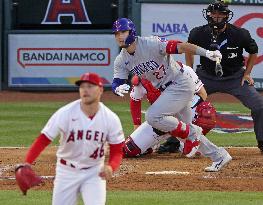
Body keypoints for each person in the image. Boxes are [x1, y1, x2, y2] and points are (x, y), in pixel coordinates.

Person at [111, 18, 223, 159]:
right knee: (128, 149)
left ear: (131, 31)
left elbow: (181, 47)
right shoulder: (123, 63)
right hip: (163, 114)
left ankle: (193, 140)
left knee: (202, 117)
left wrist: (206, 53)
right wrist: (116, 88)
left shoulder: (152, 44)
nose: (119, 36)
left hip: (180, 93)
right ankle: (193, 140)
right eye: (116, 33)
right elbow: (120, 84)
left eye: (123, 32)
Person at [17, 73, 125, 205]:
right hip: (66, 172)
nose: (85, 90)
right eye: (82, 86)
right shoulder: (65, 113)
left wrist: (111, 167)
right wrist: (27, 163)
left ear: (101, 90)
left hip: (94, 172)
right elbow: (43, 139)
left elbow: (117, 150)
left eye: (90, 86)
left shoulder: (110, 118)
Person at [185, 0, 263, 153]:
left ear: (227, 16)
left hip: (234, 77)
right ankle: (175, 141)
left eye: (220, 14)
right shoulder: (198, 32)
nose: (217, 17)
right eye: (213, 14)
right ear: (208, 15)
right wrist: (190, 72)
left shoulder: (240, 34)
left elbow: (253, 51)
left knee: (259, 106)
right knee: (183, 103)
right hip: (206, 77)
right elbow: (188, 49)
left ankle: (262, 142)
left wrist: (247, 73)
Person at [123, 66, 232, 172]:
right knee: (128, 149)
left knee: (204, 113)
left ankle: (207, 149)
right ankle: (217, 154)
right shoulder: (142, 81)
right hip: (160, 120)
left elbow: (202, 93)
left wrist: (183, 111)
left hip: (184, 113)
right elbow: (135, 101)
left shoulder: (181, 70)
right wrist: (137, 127)